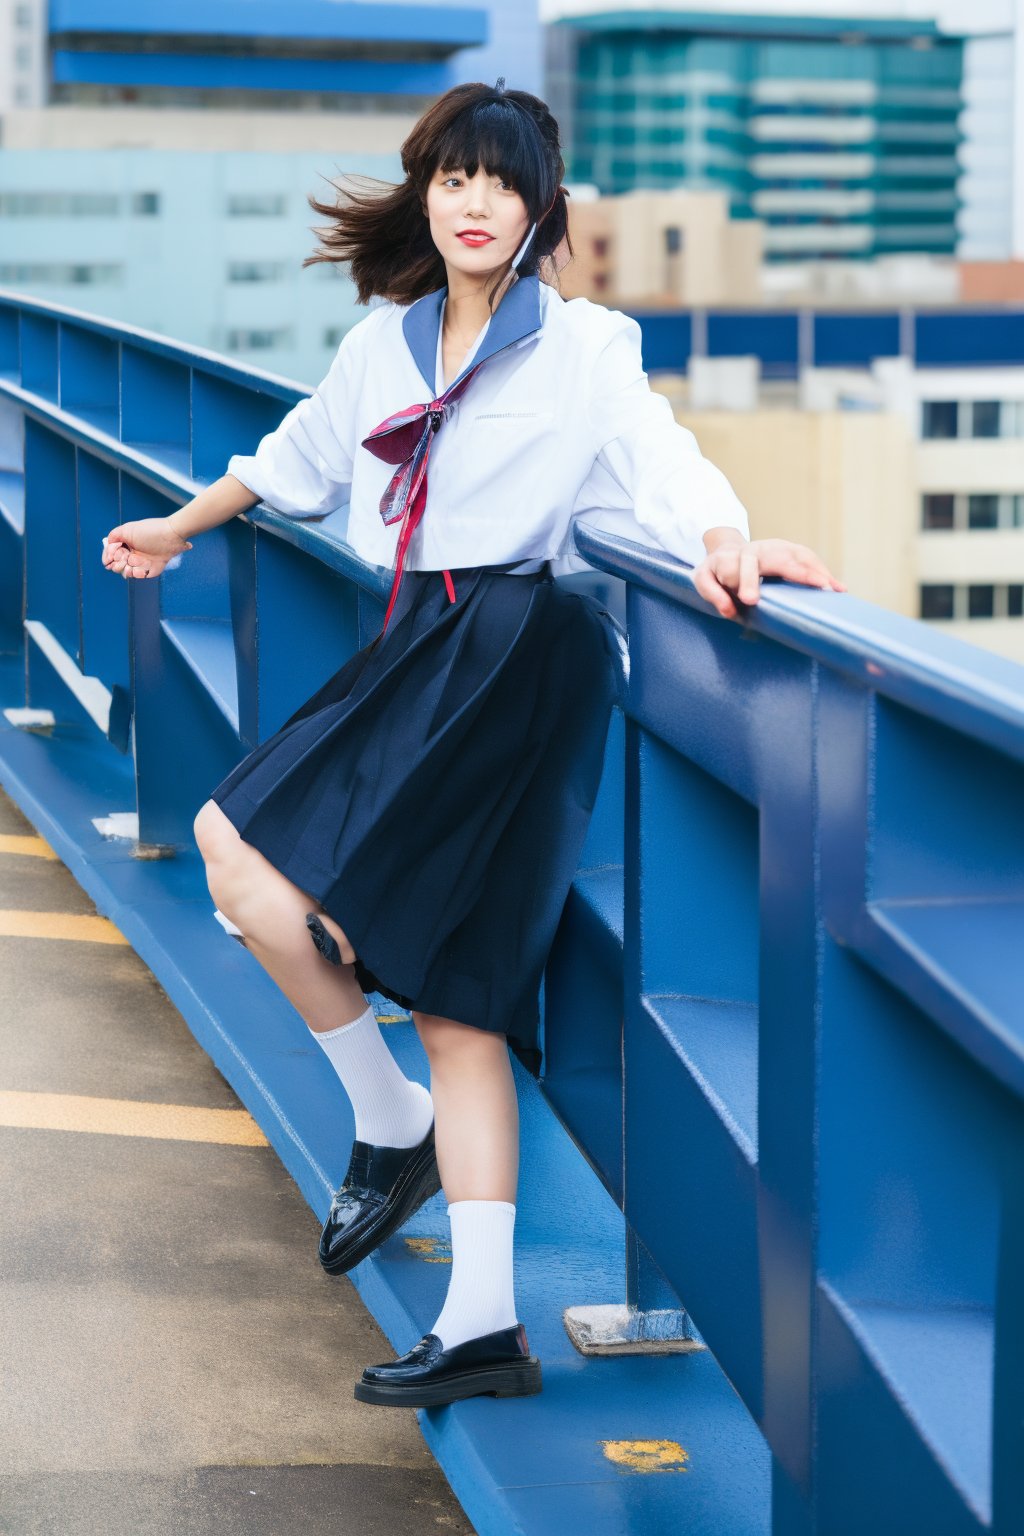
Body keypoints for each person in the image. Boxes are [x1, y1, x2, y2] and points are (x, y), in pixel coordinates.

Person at [101, 79, 844, 1410]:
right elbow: (300, 460)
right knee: (238, 855)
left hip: (515, 655)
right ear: (427, 196)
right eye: (454, 179)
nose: (475, 203)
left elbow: (660, 466)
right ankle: (393, 1125)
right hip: (414, 651)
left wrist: (728, 541)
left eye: (502, 183)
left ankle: (482, 1316)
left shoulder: (587, 349)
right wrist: (179, 525)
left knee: (457, 993)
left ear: (541, 206)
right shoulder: (385, 348)